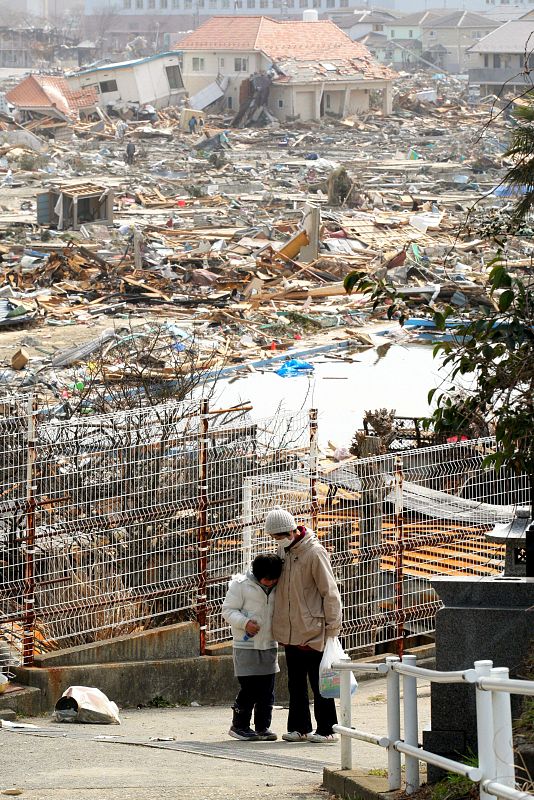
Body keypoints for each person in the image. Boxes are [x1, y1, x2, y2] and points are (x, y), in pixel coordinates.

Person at [264, 506, 342, 744]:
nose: (277, 541)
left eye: (278, 536)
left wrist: (332, 629)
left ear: (291, 531)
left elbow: (330, 593)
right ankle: (300, 727)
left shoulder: (315, 553)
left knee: (320, 682)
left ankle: (327, 729)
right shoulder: (284, 550)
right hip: (290, 629)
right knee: (295, 682)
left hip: (313, 629)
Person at [221, 552, 283, 742]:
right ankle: (239, 725)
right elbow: (228, 610)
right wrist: (245, 623)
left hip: (269, 645)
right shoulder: (240, 585)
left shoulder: (278, 586)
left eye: (274, 579)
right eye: (267, 579)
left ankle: (263, 727)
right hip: (245, 645)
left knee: (267, 690)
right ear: (257, 575)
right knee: (250, 689)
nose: (270, 583)